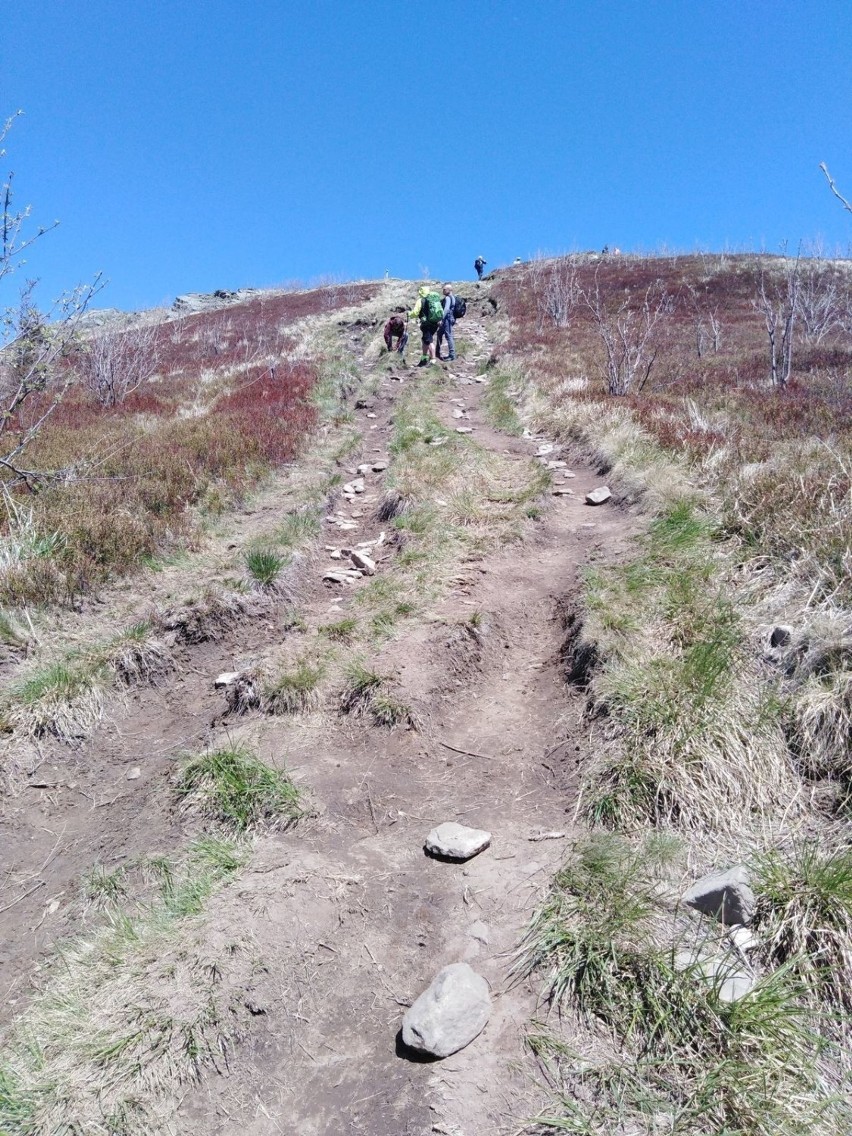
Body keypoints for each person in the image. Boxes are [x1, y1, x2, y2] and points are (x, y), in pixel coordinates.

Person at [409, 285, 443, 366]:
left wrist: (409, 314)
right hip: (435, 323)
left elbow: (415, 313)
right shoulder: (434, 300)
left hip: (426, 324)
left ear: (421, 292)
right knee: (425, 340)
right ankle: (424, 358)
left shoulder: (421, 300)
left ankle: (433, 360)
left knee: (429, 341)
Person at [436, 284, 456, 362]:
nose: (443, 291)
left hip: (447, 319)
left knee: (449, 336)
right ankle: (437, 352)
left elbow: (446, 309)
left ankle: (452, 355)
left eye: (444, 289)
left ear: (449, 290)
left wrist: (441, 319)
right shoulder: (453, 298)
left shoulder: (448, 298)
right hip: (450, 319)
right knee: (439, 333)